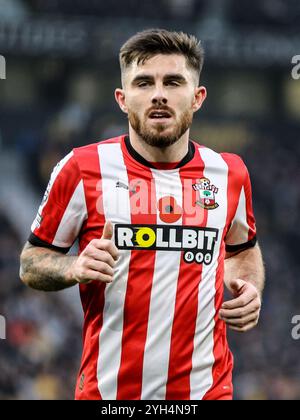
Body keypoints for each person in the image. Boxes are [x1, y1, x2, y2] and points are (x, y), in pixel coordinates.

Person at [20, 29, 265, 400]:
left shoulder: (230, 173)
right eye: (144, 82)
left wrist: (249, 288)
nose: (159, 94)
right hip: (109, 395)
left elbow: (242, 249)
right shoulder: (82, 168)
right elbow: (30, 263)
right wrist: (72, 268)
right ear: (122, 98)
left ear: (198, 98)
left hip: (206, 393)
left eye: (174, 81)